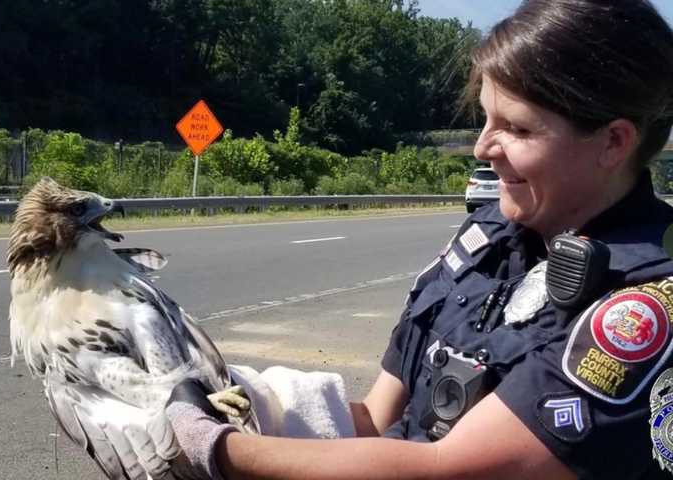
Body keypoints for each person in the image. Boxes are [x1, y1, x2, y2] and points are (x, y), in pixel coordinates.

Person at [165, 0, 673, 478]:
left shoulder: (645, 305)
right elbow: (374, 419)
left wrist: (219, 449)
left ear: (613, 142)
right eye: (485, 119)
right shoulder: (486, 242)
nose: (482, 147)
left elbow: (445, 469)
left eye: (516, 129)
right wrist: (252, 400)